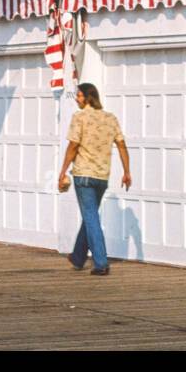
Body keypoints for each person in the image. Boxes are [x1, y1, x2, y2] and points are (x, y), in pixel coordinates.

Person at [57, 83, 131, 275]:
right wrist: (127, 171)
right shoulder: (110, 118)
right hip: (102, 177)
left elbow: (73, 146)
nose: (76, 99)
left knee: (91, 217)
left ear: (88, 97)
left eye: (79, 96)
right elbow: (122, 145)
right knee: (90, 216)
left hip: (83, 175)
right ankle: (78, 257)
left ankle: (101, 262)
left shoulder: (79, 117)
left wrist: (63, 171)